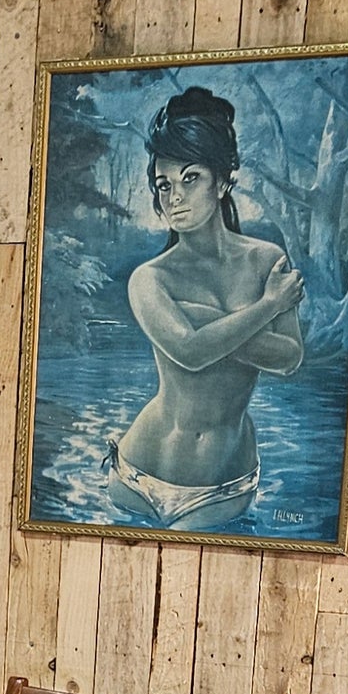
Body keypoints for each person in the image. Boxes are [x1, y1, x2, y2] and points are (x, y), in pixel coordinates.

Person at [108, 87, 304, 528]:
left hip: (223, 485)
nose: (174, 196)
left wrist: (202, 325)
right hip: (137, 475)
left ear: (223, 180)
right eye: (163, 185)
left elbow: (289, 358)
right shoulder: (150, 278)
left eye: (190, 178)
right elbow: (190, 353)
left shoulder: (266, 260)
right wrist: (267, 306)